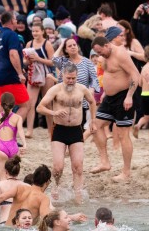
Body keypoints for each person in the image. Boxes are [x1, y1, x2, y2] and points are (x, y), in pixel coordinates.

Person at [36, 64, 97, 199]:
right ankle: (56, 186)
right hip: (59, 130)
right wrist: (54, 112)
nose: (71, 81)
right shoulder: (55, 89)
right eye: (68, 78)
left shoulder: (82, 89)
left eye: (73, 78)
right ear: (62, 76)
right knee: (58, 167)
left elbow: (92, 102)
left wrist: (93, 120)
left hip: (76, 130)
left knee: (78, 166)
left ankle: (78, 194)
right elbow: (40, 107)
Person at [91, 29, 139, 181]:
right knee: (95, 126)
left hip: (124, 97)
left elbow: (135, 75)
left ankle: (126, 172)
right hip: (109, 98)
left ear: (107, 45)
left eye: (101, 51)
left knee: (124, 135)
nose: (101, 55)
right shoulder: (104, 56)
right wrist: (105, 92)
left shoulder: (120, 54)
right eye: (97, 53)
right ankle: (104, 161)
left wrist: (129, 96)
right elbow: (109, 75)